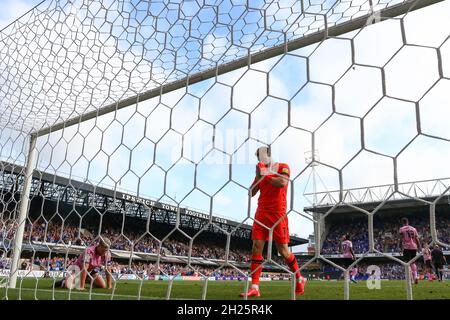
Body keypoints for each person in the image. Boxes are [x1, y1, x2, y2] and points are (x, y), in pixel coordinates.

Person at [239, 146, 305, 297]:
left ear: (269, 155)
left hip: (278, 214)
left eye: (261, 157)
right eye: (257, 158)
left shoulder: (283, 167)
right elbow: (251, 193)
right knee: (256, 247)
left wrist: (264, 173)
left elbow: (282, 182)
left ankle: (299, 277)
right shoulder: (261, 172)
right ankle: (255, 286)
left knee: (283, 251)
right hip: (261, 213)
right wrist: (257, 177)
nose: (259, 160)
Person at [399, 217, 421, 284]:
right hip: (414, 247)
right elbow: (417, 239)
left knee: (407, 263)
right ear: (408, 222)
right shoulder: (413, 229)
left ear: (402, 222)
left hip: (407, 247)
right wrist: (419, 247)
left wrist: (400, 247)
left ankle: (411, 279)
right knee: (413, 263)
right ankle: (416, 276)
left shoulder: (402, 229)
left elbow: (401, 239)